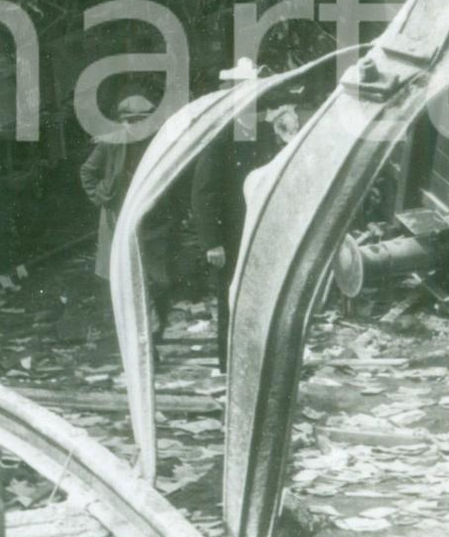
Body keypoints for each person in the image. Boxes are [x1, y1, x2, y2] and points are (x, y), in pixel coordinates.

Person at [191, 76, 299, 370]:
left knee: (261, 295)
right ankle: (232, 363)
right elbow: (204, 192)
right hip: (230, 234)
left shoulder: (262, 134)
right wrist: (211, 242)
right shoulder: (220, 138)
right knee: (232, 296)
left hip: (259, 230)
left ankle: (258, 358)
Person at [80, 93, 174, 336]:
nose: (134, 126)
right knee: (124, 277)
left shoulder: (160, 143)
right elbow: (87, 172)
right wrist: (101, 197)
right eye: (129, 121)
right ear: (122, 122)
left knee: (158, 278)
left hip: (152, 219)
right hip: (117, 218)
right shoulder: (111, 143)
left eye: (140, 120)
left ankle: (155, 327)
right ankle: (142, 336)